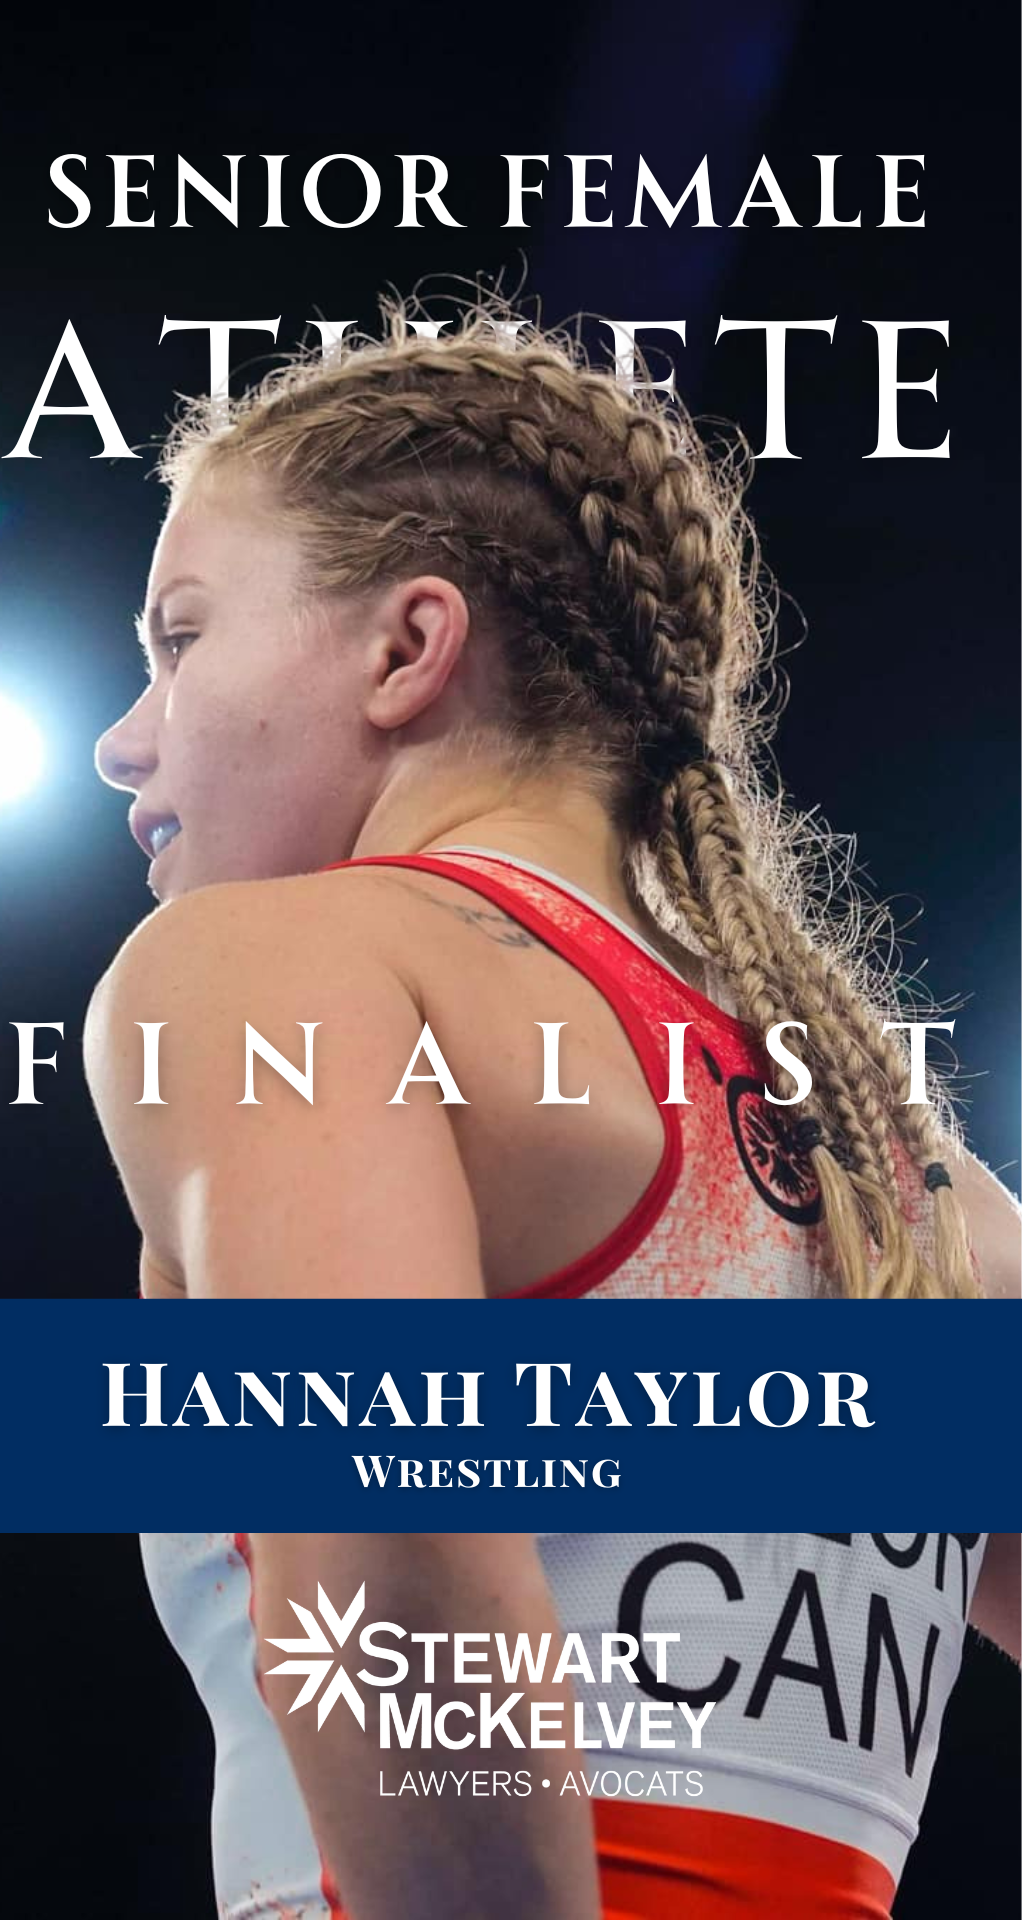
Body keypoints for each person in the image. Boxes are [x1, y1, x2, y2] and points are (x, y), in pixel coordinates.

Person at [86, 308, 1021, 1917]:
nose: (125, 740)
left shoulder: (275, 970)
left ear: (406, 648)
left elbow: (395, 1537)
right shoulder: (925, 1184)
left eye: (179, 636)